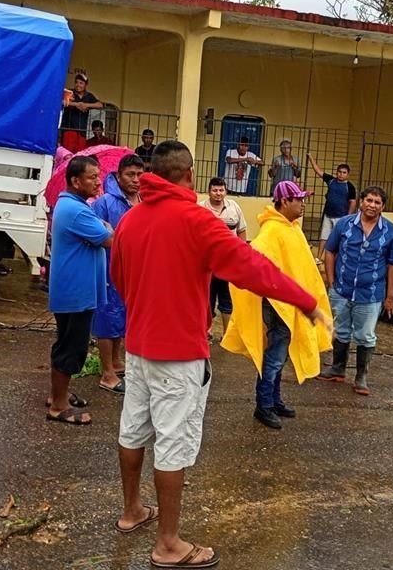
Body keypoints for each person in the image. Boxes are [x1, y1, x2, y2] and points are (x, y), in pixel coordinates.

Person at [110, 140, 328, 569]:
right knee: (173, 445)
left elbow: (118, 277)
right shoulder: (198, 221)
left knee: (133, 430)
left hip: (138, 347)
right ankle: (168, 543)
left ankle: (131, 510)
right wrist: (305, 300)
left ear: (151, 172)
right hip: (179, 355)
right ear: (189, 176)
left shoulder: (130, 220)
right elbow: (252, 268)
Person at [222, 181, 332, 429]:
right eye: (298, 199)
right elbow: (259, 266)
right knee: (274, 357)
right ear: (284, 201)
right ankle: (264, 405)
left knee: (279, 356)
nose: (303, 204)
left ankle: (274, 399)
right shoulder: (272, 231)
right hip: (277, 306)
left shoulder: (291, 228)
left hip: (289, 304)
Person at [46, 155, 113, 425]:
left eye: (98, 176)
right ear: (75, 181)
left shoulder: (74, 206)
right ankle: (58, 406)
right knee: (71, 348)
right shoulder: (76, 210)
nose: (98, 182)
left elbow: (103, 231)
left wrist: (103, 227)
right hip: (75, 292)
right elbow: (109, 238)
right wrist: (105, 228)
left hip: (74, 290)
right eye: (92, 177)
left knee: (66, 343)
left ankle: (57, 394)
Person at [317, 186, 393, 395]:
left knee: (365, 335)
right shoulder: (345, 225)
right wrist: (331, 281)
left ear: (383, 207)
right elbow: (330, 251)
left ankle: (361, 376)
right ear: (361, 201)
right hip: (342, 290)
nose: (372, 205)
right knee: (342, 331)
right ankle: (337, 369)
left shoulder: (390, 232)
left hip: (371, 294)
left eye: (377, 202)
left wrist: (390, 296)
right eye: (369, 200)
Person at [91, 154, 144, 395]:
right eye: (130, 175)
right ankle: (107, 373)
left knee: (124, 315)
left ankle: (116, 360)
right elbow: (97, 234)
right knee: (106, 316)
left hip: (134, 269)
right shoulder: (105, 202)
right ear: (119, 176)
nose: (135, 180)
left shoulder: (143, 199)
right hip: (109, 268)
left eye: (139, 174)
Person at [198, 177, 248, 341]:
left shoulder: (234, 207)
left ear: (225, 191)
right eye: (215, 190)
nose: (218, 194)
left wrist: (241, 254)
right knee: (207, 298)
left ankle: (227, 336)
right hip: (207, 263)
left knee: (227, 298)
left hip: (228, 261)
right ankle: (207, 332)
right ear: (209, 191)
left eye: (221, 190)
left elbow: (241, 231)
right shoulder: (201, 209)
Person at [306, 153, 357, 261]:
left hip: (341, 217)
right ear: (336, 172)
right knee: (323, 236)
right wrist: (311, 159)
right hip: (328, 215)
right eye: (339, 172)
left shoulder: (350, 187)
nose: (341, 174)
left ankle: (337, 259)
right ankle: (318, 257)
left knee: (339, 238)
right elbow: (318, 171)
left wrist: (348, 217)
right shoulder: (331, 180)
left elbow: (352, 202)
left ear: (348, 175)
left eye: (344, 173)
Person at [60, 71, 103, 153]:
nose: (78, 85)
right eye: (76, 82)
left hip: (82, 131)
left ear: (86, 85)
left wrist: (86, 105)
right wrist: (76, 104)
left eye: (81, 83)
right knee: (68, 154)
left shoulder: (88, 96)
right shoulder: (70, 92)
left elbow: (100, 105)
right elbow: (63, 102)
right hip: (69, 129)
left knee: (79, 155)